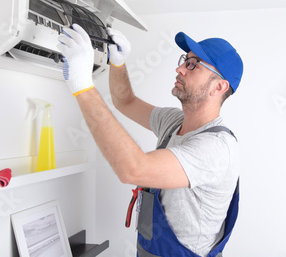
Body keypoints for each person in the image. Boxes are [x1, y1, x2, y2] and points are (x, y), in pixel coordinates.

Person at [58, 24, 243, 257]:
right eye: (185, 59)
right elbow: (125, 101)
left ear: (219, 86)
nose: (180, 68)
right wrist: (117, 63)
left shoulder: (217, 149)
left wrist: (82, 87)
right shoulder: (174, 122)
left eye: (193, 64)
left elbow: (133, 169)